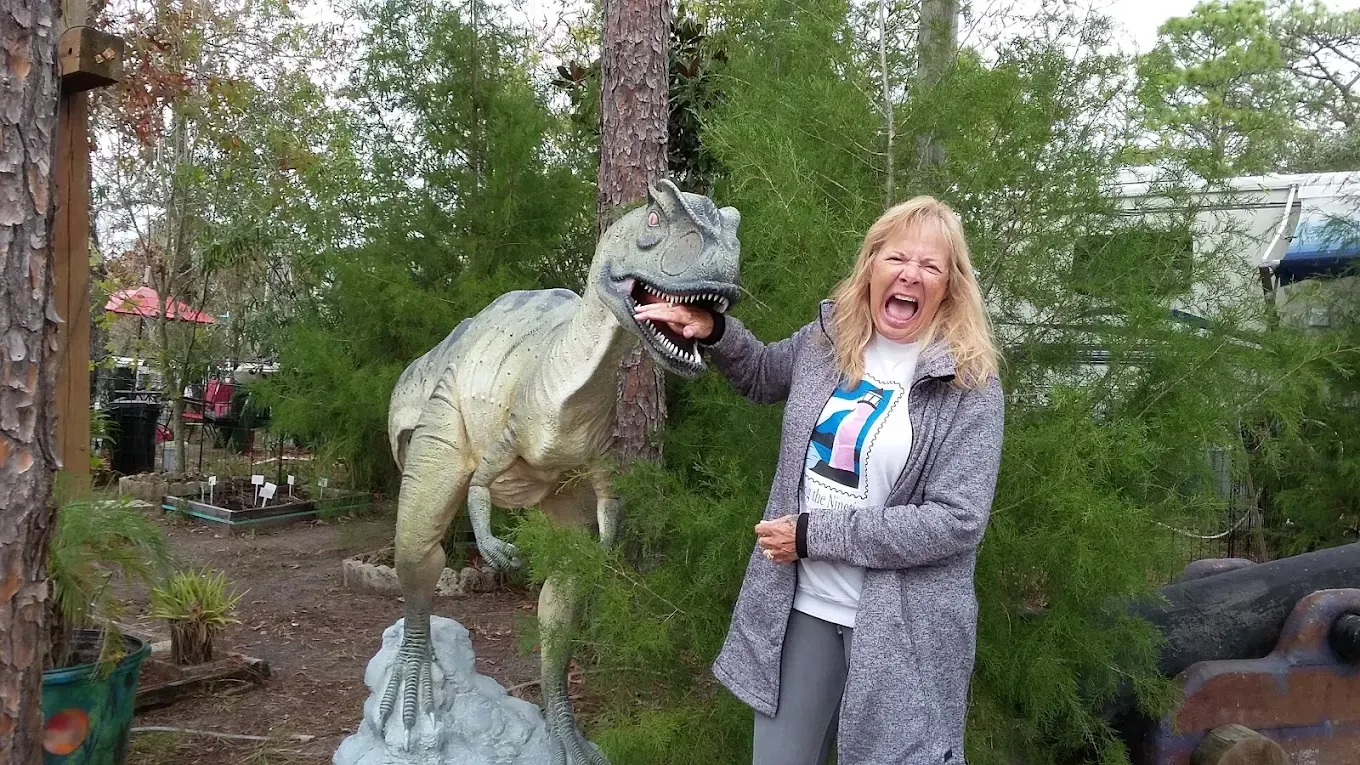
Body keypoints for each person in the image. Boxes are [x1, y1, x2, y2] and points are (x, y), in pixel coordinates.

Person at [633, 196, 1004, 765]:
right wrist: (710, 329)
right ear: (871, 263)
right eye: (897, 257)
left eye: (930, 266)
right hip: (803, 605)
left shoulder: (969, 385)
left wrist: (813, 535)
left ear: (951, 286)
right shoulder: (830, 340)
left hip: (902, 629)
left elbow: (956, 521)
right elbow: (761, 373)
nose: (909, 275)